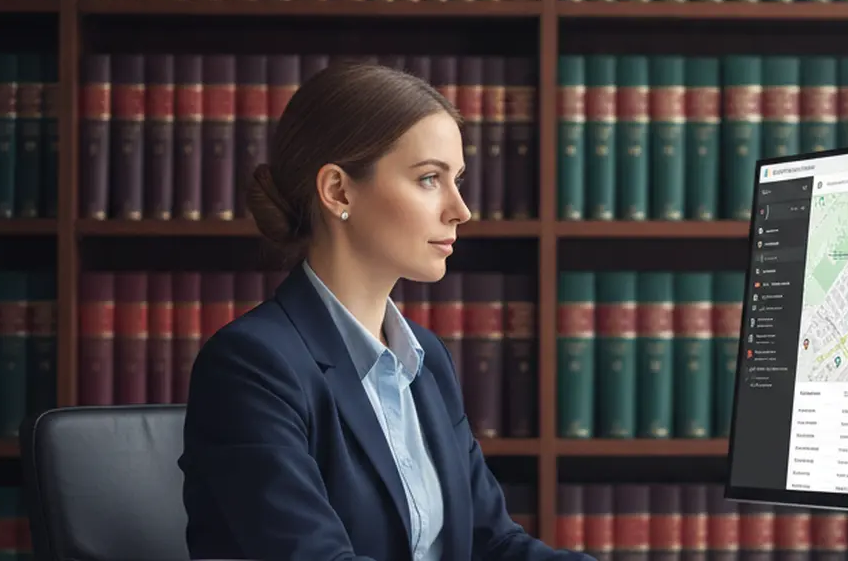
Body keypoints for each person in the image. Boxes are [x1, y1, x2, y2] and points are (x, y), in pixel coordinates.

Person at [178, 63, 591, 561]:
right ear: (338, 191)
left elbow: (492, 542)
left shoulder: (426, 359)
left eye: (457, 179)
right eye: (429, 179)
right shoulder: (251, 365)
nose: (460, 209)